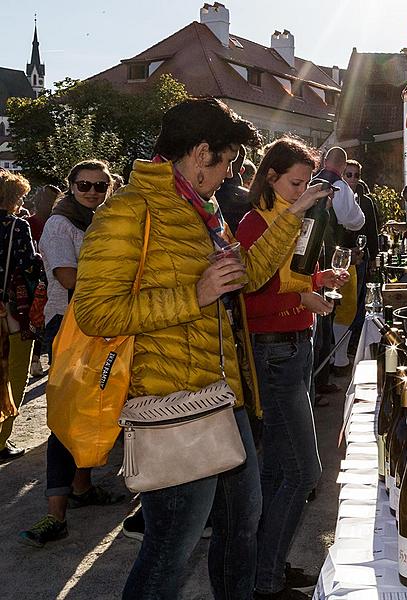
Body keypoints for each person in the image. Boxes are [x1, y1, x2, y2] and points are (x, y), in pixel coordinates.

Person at [72, 97, 331, 600]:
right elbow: (96, 312)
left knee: (241, 524)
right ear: (200, 153)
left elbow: (247, 277)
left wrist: (290, 217)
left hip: (223, 396)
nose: (231, 172)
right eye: (228, 161)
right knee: (171, 548)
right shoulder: (129, 211)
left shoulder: (202, 210)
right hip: (172, 407)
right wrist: (194, 295)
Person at [236, 137, 347, 599]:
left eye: (307, 183)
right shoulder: (253, 224)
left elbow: (288, 278)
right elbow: (246, 301)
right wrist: (299, 298)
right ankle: (265, 578)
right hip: (274, 351)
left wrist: (318, 281)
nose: (302, 191)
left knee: (279, 470)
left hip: (294, 347)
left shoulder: (290, 217)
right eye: (295, 183)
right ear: (270, 177)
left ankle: (269, 570)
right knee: (302, 472)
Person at [19, 160, 127, 547]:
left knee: (94, 409)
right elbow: (67, 277)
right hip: (67, 326)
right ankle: (55, 514)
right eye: (85, 186)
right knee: (65, 418)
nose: (93, 192)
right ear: (71, 186)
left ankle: (81, 488)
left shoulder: (103, 221)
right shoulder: (59, 223)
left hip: (100, 326)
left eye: (101, 186)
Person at [0, 170, 44, 462]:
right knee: (13, 372)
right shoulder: (16, 226)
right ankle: (1, 440)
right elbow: (28, 265)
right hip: (9, 311)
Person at [312, 147, 364, 393]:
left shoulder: (312, 181)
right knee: (329, 313)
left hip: (311, 256)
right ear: (343, 168)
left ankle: (320, 377)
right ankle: (324, 377)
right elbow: (355, 220)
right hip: (329, 252)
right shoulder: (340, 187)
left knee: (319, 319)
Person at [341, 160, 379, 363]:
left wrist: (373, 257)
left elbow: (372, 230)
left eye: (356, 175)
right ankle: (342, 346)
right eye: (349, 174)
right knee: (343, 305)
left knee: (358, 301)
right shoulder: (338, 197)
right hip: (342, 259)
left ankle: (354, 340)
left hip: (361, 258)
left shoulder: (366, 201)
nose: (353, 178)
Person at [25, 184, 59, 376]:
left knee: (41, 318)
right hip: (40, 279)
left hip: (44, 279)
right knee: (39, 317)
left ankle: (36, 358)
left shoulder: (54, 222)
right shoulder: (32, 223)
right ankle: (36, 359)